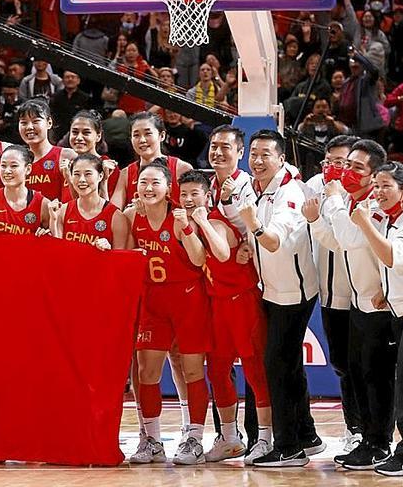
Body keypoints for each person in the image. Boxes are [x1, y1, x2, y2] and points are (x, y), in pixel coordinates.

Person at [171, 169, 273, 466]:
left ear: (208, 196)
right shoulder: (184, 224)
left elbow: (222, 255)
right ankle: (229, 437)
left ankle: (266, 437)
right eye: (184, 194)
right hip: (216, 304)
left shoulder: (215, 219)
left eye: (195, 194)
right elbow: (197, 259)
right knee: (217, 371)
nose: (189, 199)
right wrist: (189, 228)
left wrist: (200, 222)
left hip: (242, 303)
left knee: (255, 371)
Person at [238, 130, 322, 467]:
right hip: (272, 289)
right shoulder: (258, 187)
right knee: (287, 363)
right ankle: (307, 435)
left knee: (277, 365)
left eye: (265, 155)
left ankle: (289, 448)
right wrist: (250, 244)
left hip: (293, 294)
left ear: (281, 158)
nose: (257, 161)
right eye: (253, 154)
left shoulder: (290, 194)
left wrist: (255, 228)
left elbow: (273, 240)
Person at [312, 140, 395, 471]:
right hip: (359, 303)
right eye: (347, 165)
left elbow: (350, 238)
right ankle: (367, 439)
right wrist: (318, 220)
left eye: (357, 168)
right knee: (359, 373)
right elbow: (337, 243)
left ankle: (381, 443)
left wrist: (331, 199)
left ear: (373, 175)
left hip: (380, 304)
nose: (347, 172)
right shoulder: (350, 201)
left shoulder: (374, 205)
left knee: (378, 378)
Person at [126, 163, 211, 466]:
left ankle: (195, 438)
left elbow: (199, 258)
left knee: (191, 371)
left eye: (155, 183)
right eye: (142, 182)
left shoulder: (178, 219)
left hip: (187, 298)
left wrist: (187, 227)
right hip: (152, 301)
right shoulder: (130, 217)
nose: (148, 188)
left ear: (168, 188)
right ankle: (152, 440)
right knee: (146, 371)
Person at [350, 162, 403, 476]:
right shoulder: (393, 220)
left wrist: (365, 224)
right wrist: (387, 289)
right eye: (377, 185)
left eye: (386, 186)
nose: (379, 192)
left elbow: (393, 256)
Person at [302, 134, 363, 454]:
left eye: (343, 163)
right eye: (330, 162)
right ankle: (354, 429)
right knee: (341, 363)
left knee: (366, 365)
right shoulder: (312, 186)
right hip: (329, 294)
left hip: (365, 295)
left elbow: (342, 241)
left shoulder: (362, 193)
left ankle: (373, 432)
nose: (335, 168)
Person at [111, 112, 193, 209]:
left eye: (148, 134)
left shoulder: (182, 168)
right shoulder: (126, 173)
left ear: (162, 136)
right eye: (136, 135)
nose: (142, 140)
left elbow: (193, 208)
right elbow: (114, 211)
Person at [49, 155, 127, 250]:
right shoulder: (62, 211)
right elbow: (57, 251)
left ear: (101, 176)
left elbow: (120, 259)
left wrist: (108, 251)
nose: (82, 180)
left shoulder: (116, 216)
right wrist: (53, 221)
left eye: (88, 174)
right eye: (77, 174)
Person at [17, 99, 77, 201]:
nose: (29, 127)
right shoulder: (16, 160)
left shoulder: (67, 156)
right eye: (24, 123)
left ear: (49, 123)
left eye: (35, 121)